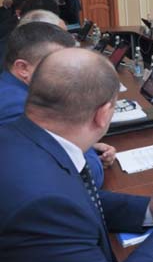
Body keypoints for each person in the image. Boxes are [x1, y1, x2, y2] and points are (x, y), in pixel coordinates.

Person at [0, 48, 153, 262]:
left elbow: (74, 199)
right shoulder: (42, 204)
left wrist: (150, 211)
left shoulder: (17, 135)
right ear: (103, 115)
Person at [0, 22, 115, 187]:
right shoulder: (16, 107)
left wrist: (86, 144)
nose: (68, 72)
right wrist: (84, 145)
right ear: (23, 68)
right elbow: (84, 175)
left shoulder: (14, 89)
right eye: (54, 64)